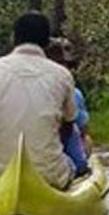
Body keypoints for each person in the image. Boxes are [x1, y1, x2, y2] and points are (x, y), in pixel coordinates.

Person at [0, 11, 78, 189]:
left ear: (14, 39)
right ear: (46, 43)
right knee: (71, 166)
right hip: (49, 175)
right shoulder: (63, 75)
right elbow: (68, 126)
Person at [47, 37, 92, 177]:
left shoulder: (75, 93)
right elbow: (80, 129)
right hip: (55, 154)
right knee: (77, 133)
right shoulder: (73, 92)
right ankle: (80, 166)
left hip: (57, 151)